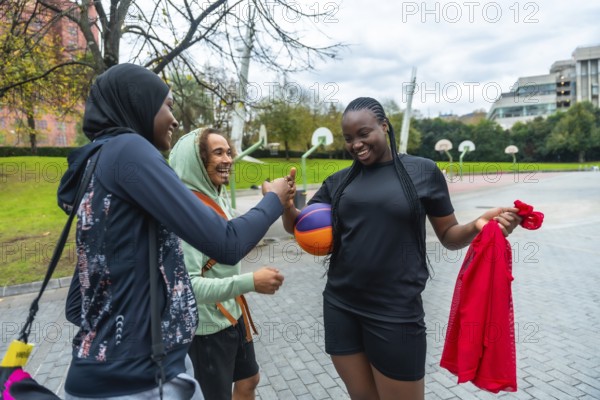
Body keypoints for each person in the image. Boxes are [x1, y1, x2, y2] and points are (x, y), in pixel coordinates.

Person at [58, 63, 294, 399]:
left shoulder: (97, 159)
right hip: (139, 379)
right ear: (139, 104)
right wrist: (274, 201)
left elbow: (77, 302)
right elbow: (228, 243)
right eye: (167, 105)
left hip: (102, 371)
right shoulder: (130, 149)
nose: (175, 118)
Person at [279, 97, 522, 400]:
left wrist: (476, 226)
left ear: (384, 126)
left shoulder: (422, 171)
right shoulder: (339, 182)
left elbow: (448, 235)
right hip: (341, 305)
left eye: (363, 133)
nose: (356, 144)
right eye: (349, 138)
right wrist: (287, 205)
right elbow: (298, 227)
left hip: (395, 312)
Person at [168, 128, 285, 400]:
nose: (228, 159)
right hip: (205, 330)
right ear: (196, 161)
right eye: (218, 152)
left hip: (233, 314)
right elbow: (190, 286)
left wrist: (274, 200)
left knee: (249, 379)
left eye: (229, 152)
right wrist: (250, 282)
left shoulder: (215, 196)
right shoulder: (186, 213)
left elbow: (236, 238)